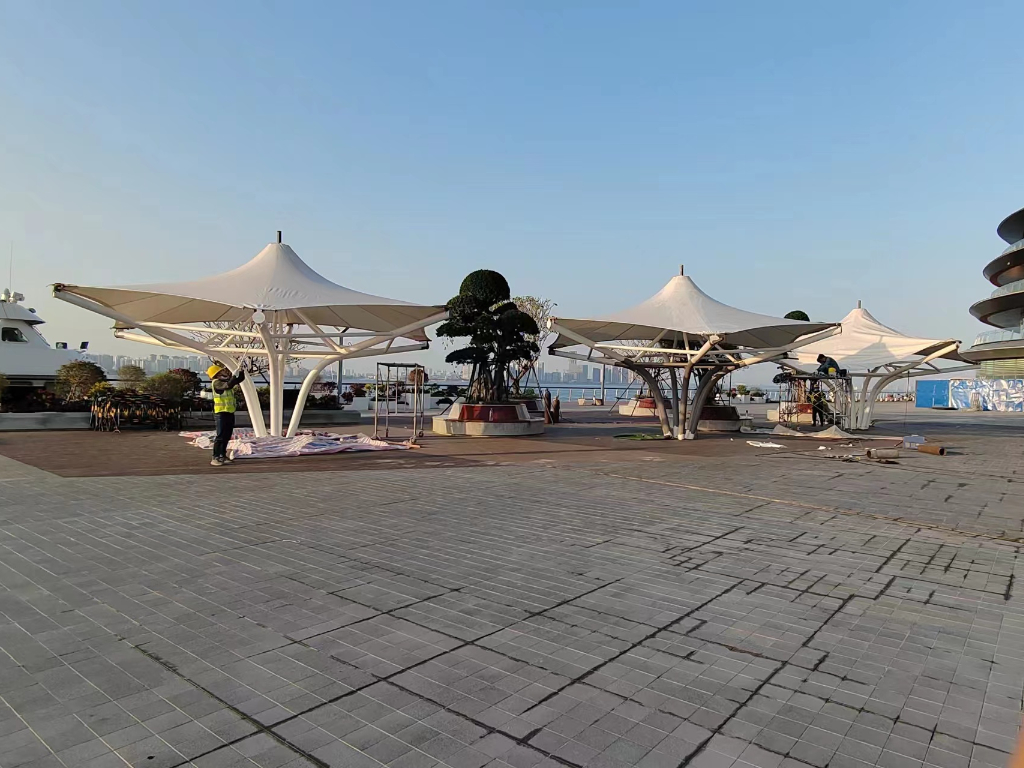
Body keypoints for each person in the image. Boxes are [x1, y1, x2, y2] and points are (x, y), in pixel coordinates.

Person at [207, 362, 247, 467]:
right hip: (221, 413)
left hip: (229, 412)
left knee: (226, 435)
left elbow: (238, 380)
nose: (224, 372)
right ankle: (215, 457)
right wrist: (233, 376)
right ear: (217, 374)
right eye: (221, 371)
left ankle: (222, 456)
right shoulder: (217, 383)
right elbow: (228, 385)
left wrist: (241, 371)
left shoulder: (224, 381)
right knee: (220, 436)